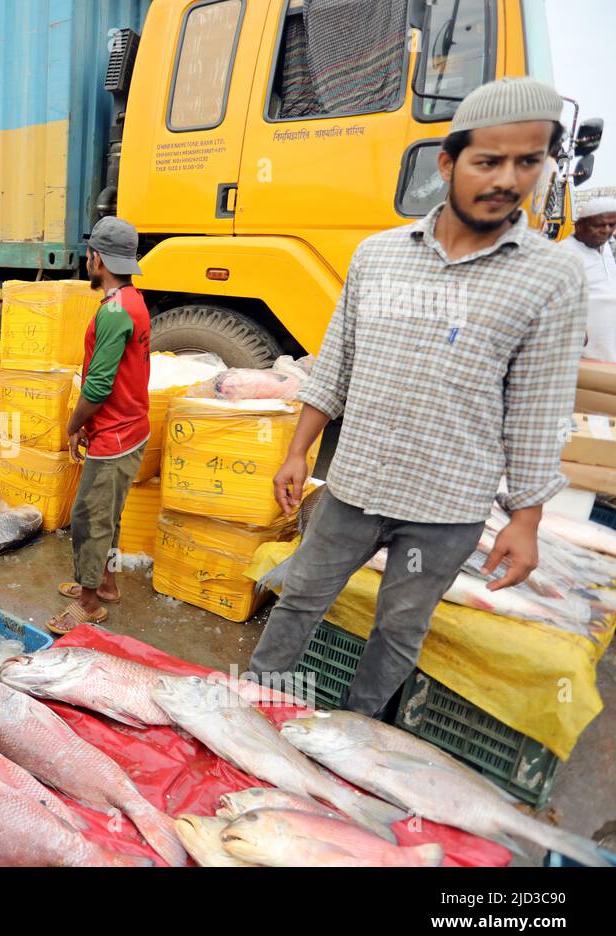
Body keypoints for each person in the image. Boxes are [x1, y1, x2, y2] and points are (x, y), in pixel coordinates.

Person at [248, 77, 585, 718]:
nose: (508, 179)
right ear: (448, 162)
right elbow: (335, 367)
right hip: (355, 487)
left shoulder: (552, 275)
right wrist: (298, 450)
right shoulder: (378, 256)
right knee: (300, 597)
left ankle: (354, 735)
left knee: (399, 630)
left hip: (446, 505)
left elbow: (539, 410)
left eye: (528, 161)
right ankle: (251, 705)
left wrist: (527, 516)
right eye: (488, 161)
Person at [47, 216, 151, 635]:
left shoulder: (113, 312)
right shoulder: (133, 300)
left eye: (88, 256)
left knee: (90, 517)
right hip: (130, 428)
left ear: (96, 259)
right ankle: (104, 583)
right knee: (109, 515)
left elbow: (99, 385)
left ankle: (89, 604)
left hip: (116, 435)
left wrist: (74, 425)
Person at [562, 196, 616, 362]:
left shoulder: (605, 248)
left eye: (612, 225)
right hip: (584, 356)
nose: (606, 230)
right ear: (579, 225)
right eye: (599, 225)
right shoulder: (562, 253)